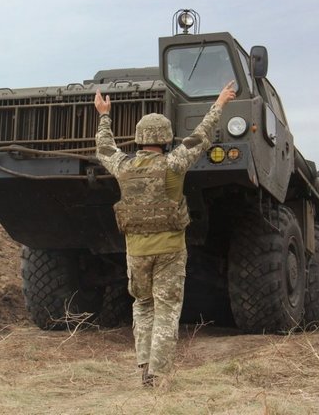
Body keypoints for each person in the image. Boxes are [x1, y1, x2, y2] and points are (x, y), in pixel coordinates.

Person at [94, 80, 237, 387]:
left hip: (136, 252)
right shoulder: (174, 163)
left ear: (139, 139)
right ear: (166, 138)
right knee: (167, 311)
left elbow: (105, 149)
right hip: (171, 250)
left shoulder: (124, 166)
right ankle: (159, 374)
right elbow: (201, 135)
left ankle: (144, 368)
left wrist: (104, 115)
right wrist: (220, 103)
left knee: (143, 306)